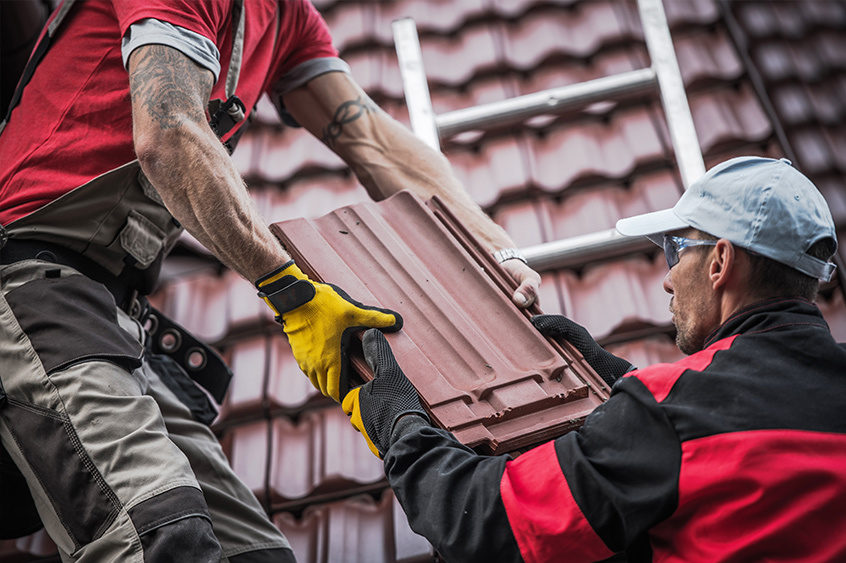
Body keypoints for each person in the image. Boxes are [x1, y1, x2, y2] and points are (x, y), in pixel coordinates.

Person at [0, 0, 540, 560]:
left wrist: (494, 252)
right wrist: (293, 294)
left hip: (111, 316)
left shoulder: (288, 19)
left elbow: (374, 143)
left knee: (254, 554)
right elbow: (169, 133)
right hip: (32, 287)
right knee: (162, 537)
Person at [342, 156, 846, 562]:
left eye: (676, 250)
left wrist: (402, 425)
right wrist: (618, 379)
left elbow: (484, 524)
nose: (668, 278)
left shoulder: (667, 416)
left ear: (719, 262)